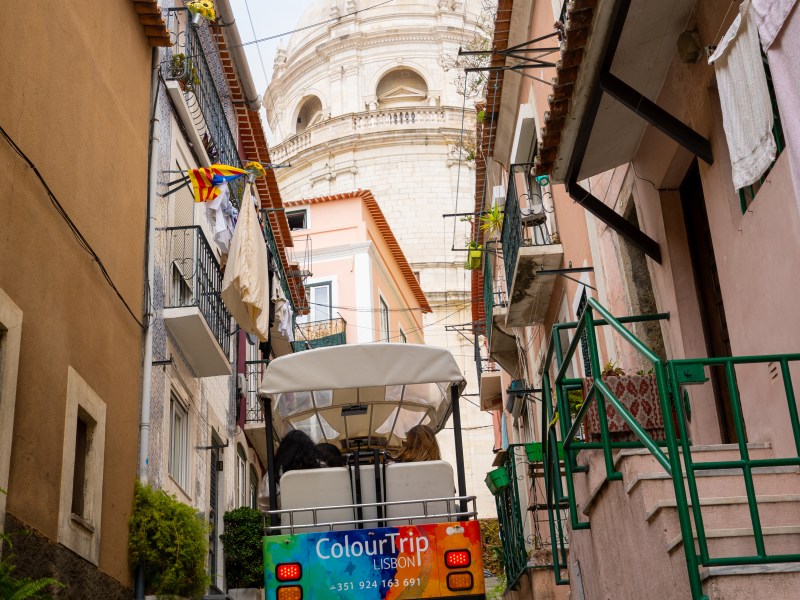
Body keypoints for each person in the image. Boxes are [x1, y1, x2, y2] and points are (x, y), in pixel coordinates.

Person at [258, 429, 320, 511]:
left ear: (283, 449)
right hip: (318, 515)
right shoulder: (319, 469)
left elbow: (265, 502)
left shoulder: (274, 472)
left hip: (285, 517)